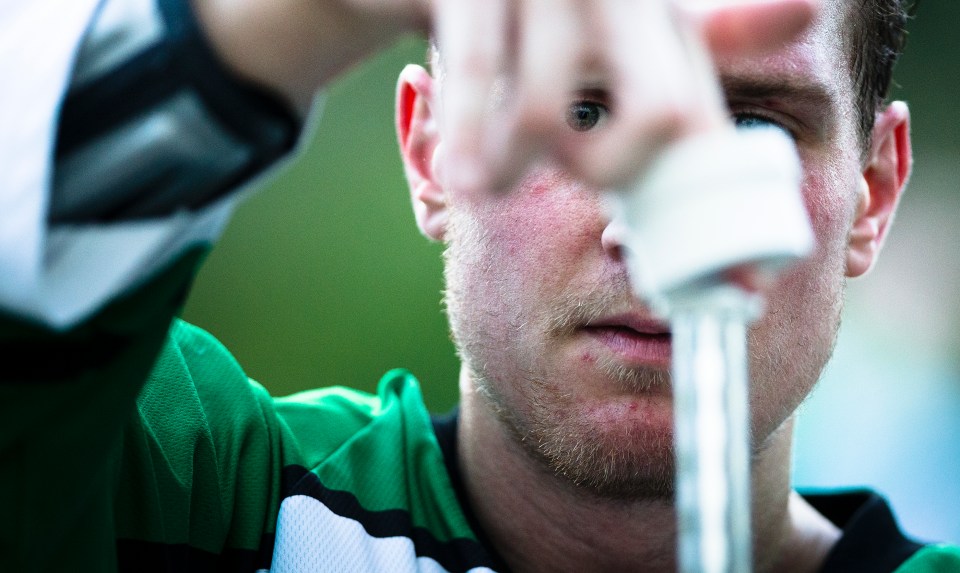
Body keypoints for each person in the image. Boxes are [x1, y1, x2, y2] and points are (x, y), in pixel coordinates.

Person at [1, 0, 957, 571]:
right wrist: (282, 24)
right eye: (582, 110)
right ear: (433, 153)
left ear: (871, 192)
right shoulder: (200, 496)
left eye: (755, 131)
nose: (655, 229)